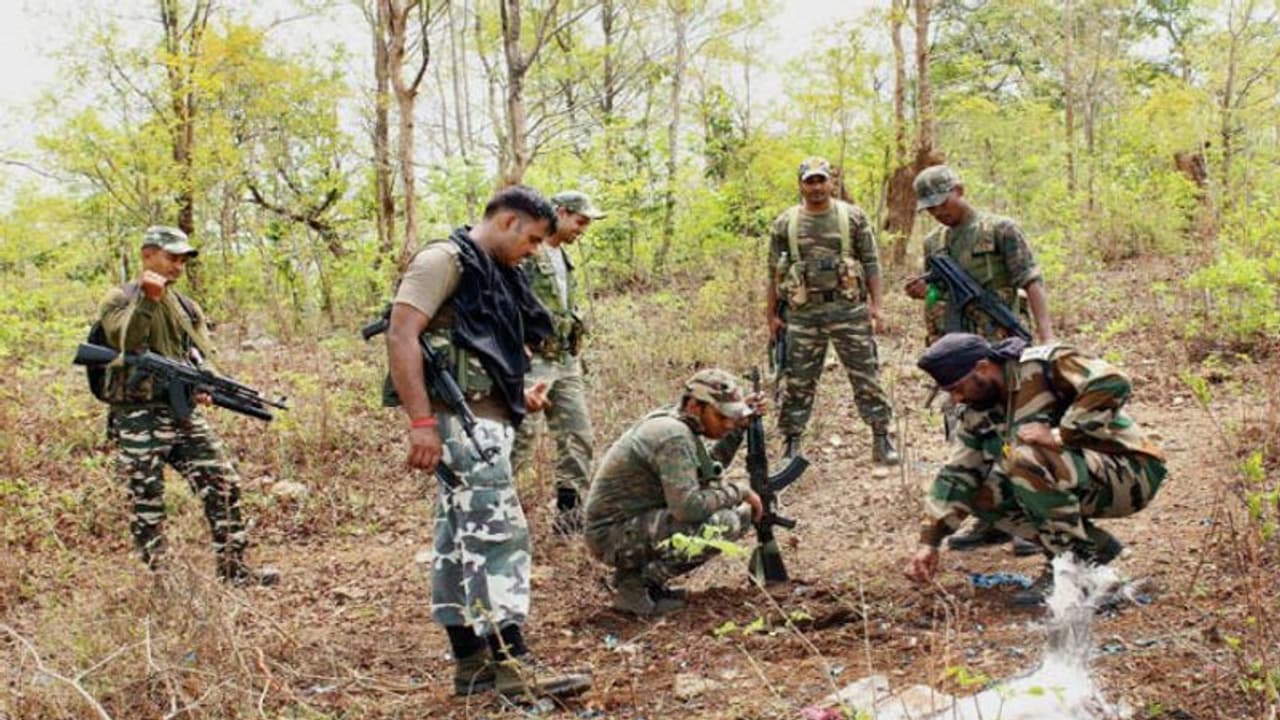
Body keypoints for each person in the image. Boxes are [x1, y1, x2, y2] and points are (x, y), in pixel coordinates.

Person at [384, 186, 590, 700]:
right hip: (462, 425)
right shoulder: (443, 260)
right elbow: (401, 335)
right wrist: (421, 423)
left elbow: (472, 346)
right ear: (508, 223)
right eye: (534, 238)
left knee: (458, 542)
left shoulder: (490, 271)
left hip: (482, 417)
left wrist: (516, 392)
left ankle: (471, 665)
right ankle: (514, 667)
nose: (537, 250)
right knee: (499, 538)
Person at [904, 333, 1167, 606]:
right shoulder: (977, 411)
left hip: (1130, 472)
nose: (957, 399)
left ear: (982, 367)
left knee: (1023, 458)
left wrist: (1062, 434)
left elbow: (1113, 381)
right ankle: (1085, 551)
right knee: (980, 489)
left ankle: (1077, 570)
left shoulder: (1043, 366)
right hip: (1077, 476)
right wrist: (930, 542)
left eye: (958, 388)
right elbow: (958, 474)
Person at [98, 226, 278, 586]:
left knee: (223, 482)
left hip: (182, 413)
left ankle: (234, 570)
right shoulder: (119, 298)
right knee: (146, 500)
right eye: (171, 258)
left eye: (183, 260)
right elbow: (127, 343)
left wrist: (204, 384)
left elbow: (197, 355)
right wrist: (148, 300)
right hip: (137, 417)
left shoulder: (185, 306)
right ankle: (161, 582)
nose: (178, 266)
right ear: (147, 254)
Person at [905, 164, 1054, 554]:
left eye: (942, 202)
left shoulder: (1000, 229)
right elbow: (936, 292)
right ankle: (990, 521)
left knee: (1012, 435)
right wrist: (925, 291)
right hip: (956, 361)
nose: (938, 212)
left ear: (959, 189)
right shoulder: (935, 243)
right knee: (963, 437)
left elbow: (1031, 280)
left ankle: (1030, 522)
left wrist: (1047, 338)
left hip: (1001, 353)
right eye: (930, 208)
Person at [584, 369, 765, 616]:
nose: (727, 424)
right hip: (611, 535)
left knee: (728, 514)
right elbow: (688, 507)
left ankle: (639, 582)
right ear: (694, 406)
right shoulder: (673, 435)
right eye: (722, 417)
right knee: (725, 523)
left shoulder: (678, 423)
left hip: (625, 526)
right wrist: (739, 491)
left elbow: (704, 471)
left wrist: (738, 429)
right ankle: (636, 586)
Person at [767, 156, 898, 465]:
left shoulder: (852, 217)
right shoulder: (786, 222)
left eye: (820, 180)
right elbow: (773, 272)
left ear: (831, 182)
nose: (815, 187)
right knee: (797, 380)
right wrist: (771, 315)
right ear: (800, 184)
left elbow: (871, 262)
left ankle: (882, 437)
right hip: (802, 314)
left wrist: (877, 307)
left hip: (848, 311)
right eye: (809, 181)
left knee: (866, 375)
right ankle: (792, 443)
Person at [511, 191, 606, 535]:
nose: (583, 229)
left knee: (578, 436)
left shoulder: (563, 258)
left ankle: (569, 515)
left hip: (565, 360)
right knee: (521, 440)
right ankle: (498, 514)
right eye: (580, 221)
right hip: (532, 361)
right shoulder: (526, 254)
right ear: (561, 213)